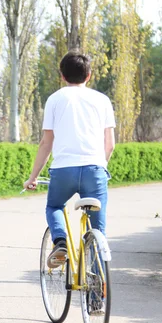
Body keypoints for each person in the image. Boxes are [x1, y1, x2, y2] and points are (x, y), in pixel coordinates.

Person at [24, 51, 115, 269]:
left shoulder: (55, 99)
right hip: (95, 169)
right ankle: (96, 299)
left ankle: (61, 241)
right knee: (98, 232)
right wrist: (100, 167)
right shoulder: (102, 100)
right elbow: (110, 144)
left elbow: (46, 143)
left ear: (62, 76)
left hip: (63, 170)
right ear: (89, 75)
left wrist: (33, 177)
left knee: (54, 206)